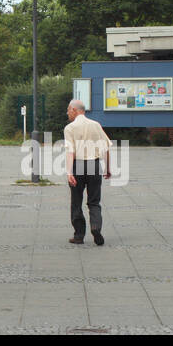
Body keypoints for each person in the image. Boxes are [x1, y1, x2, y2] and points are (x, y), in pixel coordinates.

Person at [63, 99, 111, 246]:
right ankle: (96, 227)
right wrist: (108, 168)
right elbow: (106, 147)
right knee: (94, 201)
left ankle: (79, 235)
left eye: (68, 110)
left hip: (78, 166)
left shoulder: (70, 128)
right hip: (94, 165)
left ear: (74, 110)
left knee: (76, 201)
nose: (67, 113)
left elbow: (70, 151)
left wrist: (69, 172)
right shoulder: (96, 125)